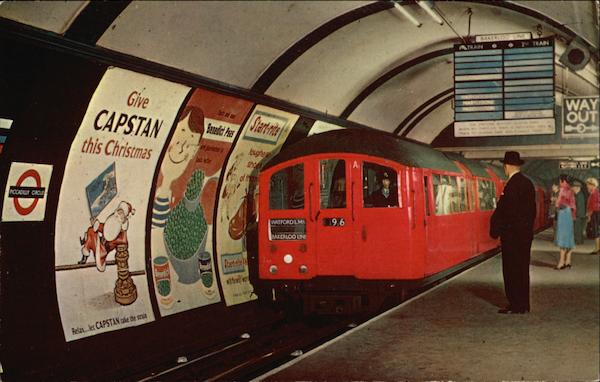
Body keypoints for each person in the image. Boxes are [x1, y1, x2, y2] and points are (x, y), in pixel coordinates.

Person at [490, 151, 536, 314]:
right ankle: (523, 304)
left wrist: (498, 229)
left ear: (507, 166)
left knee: (511, 270)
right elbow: (531, 212)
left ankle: (515, 305)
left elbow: (507, 212)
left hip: (512, 236)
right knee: (522, 270)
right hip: (524, 236)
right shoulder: (527, 183)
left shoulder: (512, 184)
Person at [79, 201, 135, 272]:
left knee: (93, 238)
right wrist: (96, 224)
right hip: (100, 242)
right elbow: (105, 228)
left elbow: (122, 242)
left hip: (104, 249)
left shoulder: (121, 230)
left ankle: (94, 253)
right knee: (91, 231)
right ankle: (85, 256)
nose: (119, 214)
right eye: (119, 211)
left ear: (125, 216)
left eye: (122, 213)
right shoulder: (112, 219)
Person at [554, 174, 576, 269]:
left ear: (564, 182)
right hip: (569, 215)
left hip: (563, 214)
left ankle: (561, 262)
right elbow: (573, 205)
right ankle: (568, 261)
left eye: (560, 181)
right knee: (569, 238)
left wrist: (556, 199)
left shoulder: (562, 190)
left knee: (562, 239)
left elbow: (557, 204)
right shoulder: (571, 191)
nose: (559, 183)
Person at [585, 177, 600, 254]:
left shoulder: (594, 193)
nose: (587, 186)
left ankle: (597, 249)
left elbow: (593, 206)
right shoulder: (595, 192)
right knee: (596, 230)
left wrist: (589, 215)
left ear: (592, 185)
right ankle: (598, 248)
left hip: (595, 213)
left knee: (595, 230)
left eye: (588, 184)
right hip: (596, 212)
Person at [572, 181, 586, 245]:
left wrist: (575, 215)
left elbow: (579, 206)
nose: (573, 189)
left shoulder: (579, 195)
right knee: (578, 229)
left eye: (573, 187)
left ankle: (578, 241)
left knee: (577, 229)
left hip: (579, 215)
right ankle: (579, 241)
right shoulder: (578, 194)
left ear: (578, 188)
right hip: (579, 215)